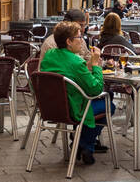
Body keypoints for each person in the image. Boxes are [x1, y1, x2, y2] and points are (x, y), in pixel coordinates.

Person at [40, 21, 111, 165]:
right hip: (73, 109)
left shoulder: (50, 55)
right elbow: (95, 89)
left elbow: (72, 72)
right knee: (109, 104)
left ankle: (84, 145)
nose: (82, 41)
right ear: (69, 41)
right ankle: (84, 144)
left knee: (99, 103)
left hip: (51, 108)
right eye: (79, 37)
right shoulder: (75, 62)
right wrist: (96, 64)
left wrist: (88, 64)